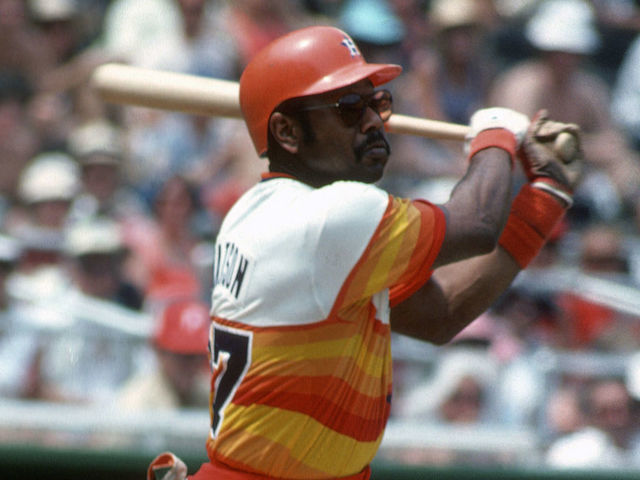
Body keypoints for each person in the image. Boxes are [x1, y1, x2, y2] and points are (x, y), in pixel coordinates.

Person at [147, 25, 583, 480]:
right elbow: (476, 224)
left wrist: (546, 196)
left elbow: (441, 313)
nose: (374, 121)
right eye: (349, 108)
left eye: (376, 103)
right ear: (287, 131)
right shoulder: (332, 217)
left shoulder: (263, 213)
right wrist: (496, 134)